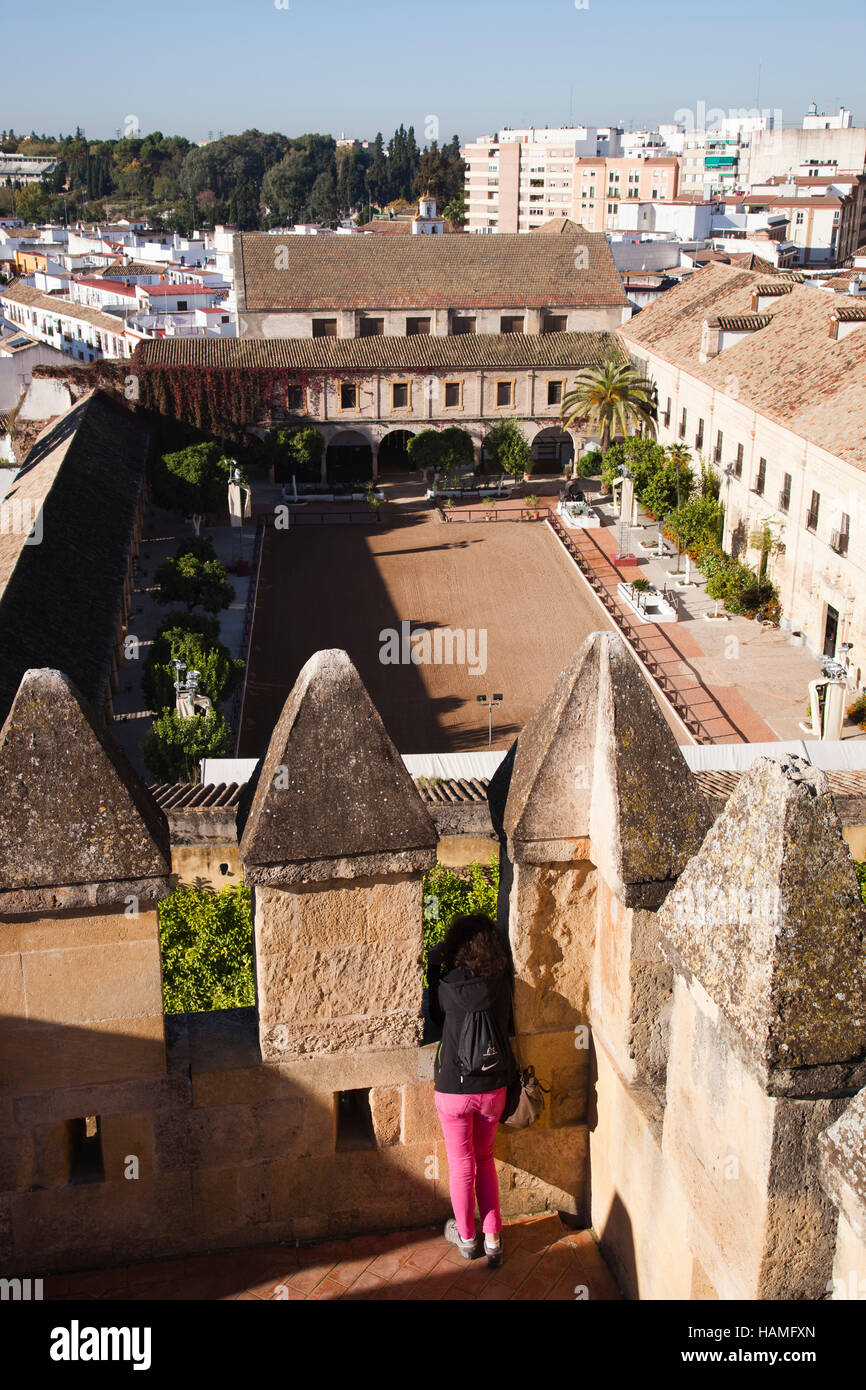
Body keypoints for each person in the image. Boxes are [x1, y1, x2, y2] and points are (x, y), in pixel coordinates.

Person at [427, 913, 513, 1267]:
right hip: (493, 1088)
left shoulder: (448, 986)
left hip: (454, 1088)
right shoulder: (501, 983)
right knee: (484, 1159)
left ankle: (466, 1237)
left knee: (461, 1165)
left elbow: (434, 1016)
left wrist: (433, 967)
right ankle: (493, 1239)